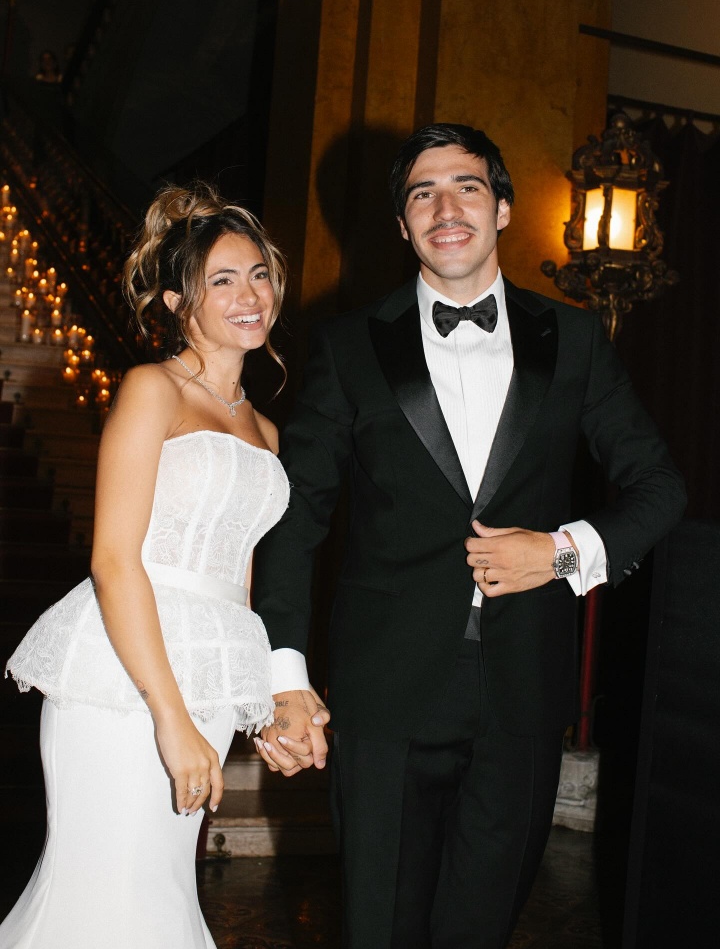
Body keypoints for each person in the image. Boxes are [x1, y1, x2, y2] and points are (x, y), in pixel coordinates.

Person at [251, 123, 687, 949]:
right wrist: (283, 676)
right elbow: (296, 514)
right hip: (384, 695)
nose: (445, 208)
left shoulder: (576, 339)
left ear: (504, 209)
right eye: (423, 193)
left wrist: (558, 551)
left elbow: (659, 486)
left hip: (524, 694)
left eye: (467, 187)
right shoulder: (346, 345)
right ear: (401, 223)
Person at [2, 183, 292, 948]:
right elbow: (113, 560)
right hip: (126, 679)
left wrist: (259, 701)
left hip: (207, 681)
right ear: (175, 301)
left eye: (258, 274)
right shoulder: (151, 389)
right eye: (221, 280)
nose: (249, 295)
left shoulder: (264, 428)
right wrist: (169, 714)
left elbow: (239, 583)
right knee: (107, 898)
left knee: (159, 891)